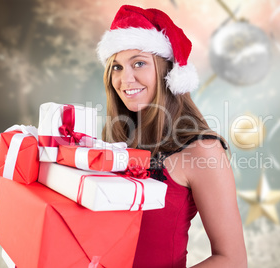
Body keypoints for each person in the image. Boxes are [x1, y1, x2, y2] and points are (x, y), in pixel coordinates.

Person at [97, 5, 247, 268]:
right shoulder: (113, 143)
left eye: (139, 63)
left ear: (168, 72)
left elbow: (232, 261)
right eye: (117, 67)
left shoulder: (203, 150)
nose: (124, 78)